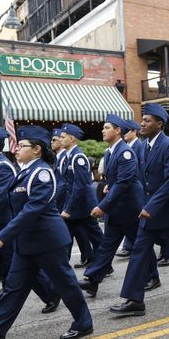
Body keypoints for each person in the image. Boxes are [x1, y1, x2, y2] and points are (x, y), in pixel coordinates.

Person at [0, 126, 93, 339]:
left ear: (36, 150)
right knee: (14, 288)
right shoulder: (24, 171)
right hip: (27, 243)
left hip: (48, 241)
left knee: (65, 284)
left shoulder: (42, 173)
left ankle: (83, 323)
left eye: (21, 146)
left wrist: (3, 236)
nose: (16, 150)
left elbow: (31, 210)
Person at [110, 103, 169, 316]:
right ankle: (134, 300)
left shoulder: (168, 146)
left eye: (147, 120)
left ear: (159, 124)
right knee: (139, 252)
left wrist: (150, 207)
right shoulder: (144, 146)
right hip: (151, 211)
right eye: (142, 120)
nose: (142, 123)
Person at [79, 116, 149, 296]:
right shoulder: (110, 152)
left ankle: (152, 275)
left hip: (129, 208)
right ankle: (93, 280)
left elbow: (124, 182)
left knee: (140, 246)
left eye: (107, 127)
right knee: (107, 246)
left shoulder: (125, 152)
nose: (103, 130)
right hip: (117, 208)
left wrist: (103, 206)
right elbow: (115, 180)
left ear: (118, 130)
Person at [59, 124, 104, 267]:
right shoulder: (68, 156)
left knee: (96, 237)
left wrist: (68, 209)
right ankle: (62, 268)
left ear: (72, 139)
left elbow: (79, 186)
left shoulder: (78, 157)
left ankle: (105, 263)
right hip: (76, 207)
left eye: (62, 137)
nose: (60, 139)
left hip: (84, 207)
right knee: (66, 238)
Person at [116, 119, 143, 258]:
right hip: (128, 189)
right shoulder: (125, 146)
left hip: (138, 187)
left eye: (127, 131)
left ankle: (167, 248)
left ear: (135, 132)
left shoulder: (139, 146)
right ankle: (129, 246)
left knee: (138, 221)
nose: (124, 134)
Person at [51, 128, 67, 213]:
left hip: (62, 200)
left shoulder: (64, 158)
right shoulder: (58, 157)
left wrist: (54, 199)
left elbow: (63, 183)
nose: (51, 142)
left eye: (54, 140)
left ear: (61, 141)